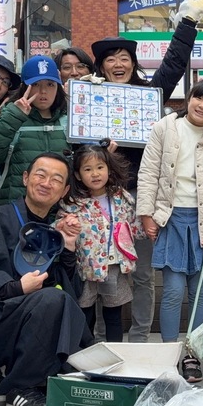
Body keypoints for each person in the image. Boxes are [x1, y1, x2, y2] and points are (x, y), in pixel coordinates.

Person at [90, 0, 203, 346]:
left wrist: (188, 22)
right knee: (101, 271)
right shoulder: (89, 99)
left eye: (124, 58)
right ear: (101, 67)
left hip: (141, 198)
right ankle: (102, 340)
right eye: (110, 59)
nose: (118, 64)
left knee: (143, 273)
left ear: (133, 64)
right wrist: (97, 152)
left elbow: (174, 64)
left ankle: (140, 338)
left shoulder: (148, 95)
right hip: (101, 200)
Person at [0, 152, 92, 406]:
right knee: (53, 300)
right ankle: (20, 387)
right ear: (25, 178)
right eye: (41, 175)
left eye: (56, 180)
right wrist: (18, 288)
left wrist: (67, 247)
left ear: (65, 191)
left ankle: (29, 371)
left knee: (63, 302)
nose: (46, 183)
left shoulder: (51, 231)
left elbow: (69, 290)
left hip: (24, 325)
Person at [136, 79, 203, 383]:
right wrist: (146, 214)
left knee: (199, 292)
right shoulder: (165, 127)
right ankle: (168, 354)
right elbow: (148, 173)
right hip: (170, 218)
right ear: (188, 98)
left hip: (202, 220)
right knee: (174, 290)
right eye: (199, 97)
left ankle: (192, 355)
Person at [63, 141, 142, 343]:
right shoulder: (72, 203)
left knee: (113, 315)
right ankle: (85, 352)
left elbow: (135, 225)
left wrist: (151, 227)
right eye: (88, 169)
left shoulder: (121, 197)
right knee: (84, 314)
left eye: (100, 167)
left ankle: (115, 352)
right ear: (78, 175)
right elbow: (60, 227)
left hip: (114, 266)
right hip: (85, 268)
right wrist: (66, 225)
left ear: (108, 168)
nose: (95, 174)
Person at [0, 55, 69, 205]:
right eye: (35, 84)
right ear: (24, 87)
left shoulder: (69, 121)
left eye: (50, 84)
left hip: (60, 211)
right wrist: (14, 116)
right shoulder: (10, 115)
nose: (43, 91)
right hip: (15, 208)